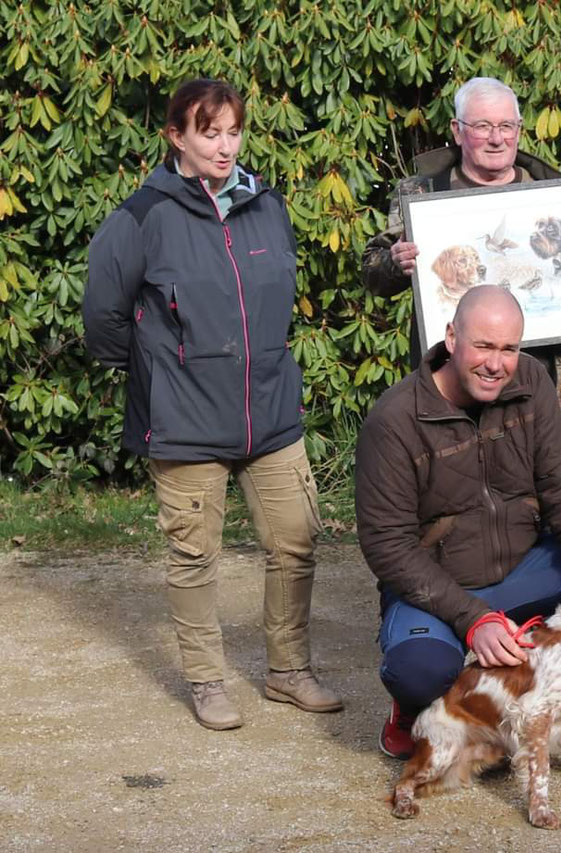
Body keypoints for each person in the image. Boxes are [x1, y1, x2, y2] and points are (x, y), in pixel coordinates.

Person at [84, 79, 342, 730]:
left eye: (233, 131)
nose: (225, 146)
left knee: (296, 540)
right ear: (176, 136)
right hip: (184, 418)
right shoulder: (141, 217)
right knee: (195, 555)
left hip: (271, 411)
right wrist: (159, 373)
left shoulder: (268, 204)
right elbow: (103, 318)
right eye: (209, 132)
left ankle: (288, 671)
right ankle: (206, 680)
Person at [355, 285, 561, 769]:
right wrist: (471, 618)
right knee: (420, 670)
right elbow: (386, 544)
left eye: (509, 349)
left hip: (524, 567)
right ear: (451, 337)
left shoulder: (531, 383)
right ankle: (414, 709)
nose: (497, 364)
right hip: (440, 588)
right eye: (483, 346)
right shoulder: (395, 419)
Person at [361, 76, 561, 427]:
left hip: (541, 388)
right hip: (450, 390)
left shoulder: (556, 195)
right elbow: (372, 274)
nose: (497, 139)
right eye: (483, 126)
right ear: (457, 130)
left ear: (519, 129)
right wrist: (394, 263)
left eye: (506, 126)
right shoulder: (421, 194)